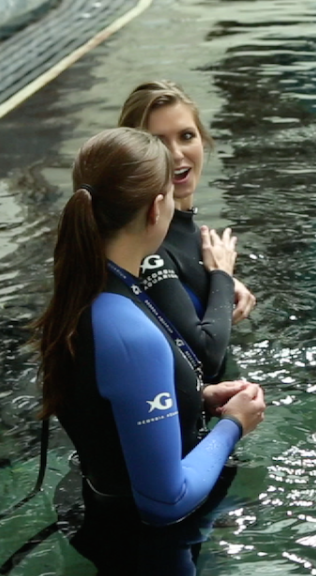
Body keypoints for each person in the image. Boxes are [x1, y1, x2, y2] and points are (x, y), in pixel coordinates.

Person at [31, 127, 266, 576]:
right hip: (144, 550)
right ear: (159, 206)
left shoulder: (96, 289)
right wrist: (233, 423)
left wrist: (198, 398)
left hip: (104, 519)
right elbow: (165, 501)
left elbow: (109, 404)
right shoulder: (127, 329)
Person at [118, 80, 256, 382]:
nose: (177, 154)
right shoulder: (147, 245)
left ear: (203, 140)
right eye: (159, 142)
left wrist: (219, 283)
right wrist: (220, 276)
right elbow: (205, 356)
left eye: (187, 136)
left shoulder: (184, 229)